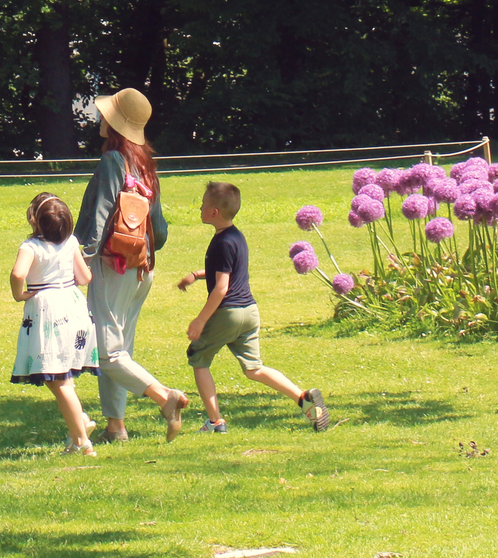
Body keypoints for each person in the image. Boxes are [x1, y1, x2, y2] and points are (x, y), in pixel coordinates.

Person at [75, 87, 191, 441]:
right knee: (120, 349)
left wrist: (81, 260)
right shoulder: (146, 165)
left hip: (113, 267)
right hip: (142, 267)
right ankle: (116, 426)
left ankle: (165, 398)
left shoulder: (112, 161)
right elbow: (160, 231)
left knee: (108, 353)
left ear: (114, 122)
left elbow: (99, 217)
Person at [176, 180, 330, 434]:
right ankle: (303, 398)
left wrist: (200, 320)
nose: (200, 209)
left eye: (203, 205)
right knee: (254, 368)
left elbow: (222, 287)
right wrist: (196, 275)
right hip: (249, 311)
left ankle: (215, 422)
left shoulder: (220, 243)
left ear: (214, 212)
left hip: (229, 313)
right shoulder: (235, 236)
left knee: (199, 360)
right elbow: (228, 270)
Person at [9, 192, 100, 455]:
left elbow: (18, 273)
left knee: (57, 378)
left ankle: (82, 441)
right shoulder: (71, 242)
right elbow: (84, 278)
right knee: (60, 376)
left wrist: (19, 293)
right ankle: (78, 426)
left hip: (47, 311)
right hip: (73, 306)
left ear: (34, 220)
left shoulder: (31, 246)